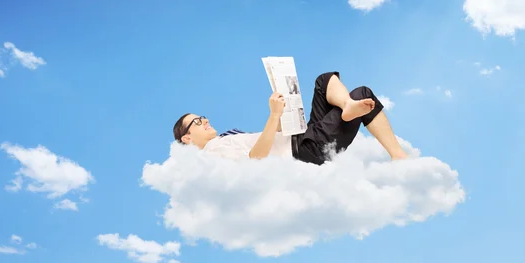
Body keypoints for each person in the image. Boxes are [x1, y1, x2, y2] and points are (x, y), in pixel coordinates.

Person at [172, 71, 408, 165]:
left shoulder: (225, 137)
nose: (204, 121)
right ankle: (399, 156)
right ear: (187, 139)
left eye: (201, 117)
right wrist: (274, 115)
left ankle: (347, 106)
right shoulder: (212, 152)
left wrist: (285, 113)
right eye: (196, 122)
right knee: (363, 94)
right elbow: (255, 158)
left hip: (301, 135)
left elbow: (266, 142)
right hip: (304, 149)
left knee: (324, 80)